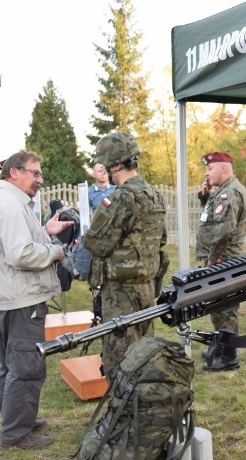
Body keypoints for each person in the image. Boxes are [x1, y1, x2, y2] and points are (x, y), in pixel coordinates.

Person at [0, 151, 74, 450]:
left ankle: (15, 418)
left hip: (2, 297)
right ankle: (16, 433)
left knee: (9, 363)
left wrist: (45, 232)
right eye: (35, 173)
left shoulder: (0, 201)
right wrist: (55, 251)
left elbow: (13, 242)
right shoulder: (10, 206)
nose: (39, 180)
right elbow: (20, 254)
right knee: (26, 366)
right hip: (20, 300)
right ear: (14, 172)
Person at [82, 132, 168, 380]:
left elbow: (97, 243)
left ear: (115, 164)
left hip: (120, 292)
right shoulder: (154, 193)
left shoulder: (120, 197)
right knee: (145, 352)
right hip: (146, 288)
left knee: (119, 357)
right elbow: (161, 241)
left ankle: (125, 414)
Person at [196, 152, 246, 371]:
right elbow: (212, 220)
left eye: (210, 169)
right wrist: (204, 195)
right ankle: (220, 347)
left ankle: (228, 357)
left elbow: (225, 230)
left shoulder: (231, 193)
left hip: (223, 260)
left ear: (224, 169)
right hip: (219, 259)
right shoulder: (222, 192)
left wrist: (212, 259)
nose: (207, 173)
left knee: (225, 307)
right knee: (217, 306)